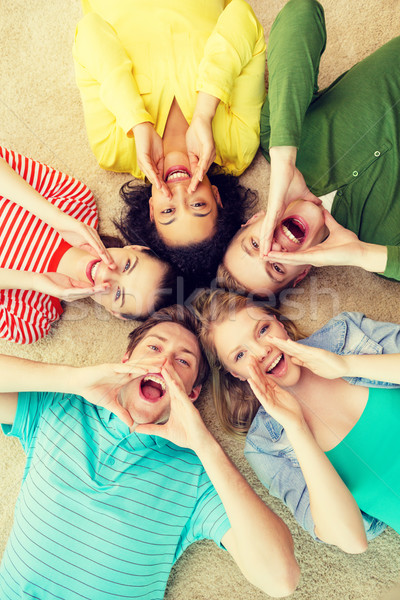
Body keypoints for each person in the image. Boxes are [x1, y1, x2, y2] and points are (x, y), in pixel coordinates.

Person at [0, 305, 299, 599]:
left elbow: (281, 579)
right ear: (126, 360)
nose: (165, 364)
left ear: (192, 393)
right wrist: (75, 381)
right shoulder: (60, 406)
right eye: (154, 348)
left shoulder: (196, 474)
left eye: (183, 362)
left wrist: (204, 445)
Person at [72, 0, 264, 284]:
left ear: (151, 210)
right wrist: (203, 113)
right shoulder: (238, 145)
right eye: (198, 205)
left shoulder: (112, 149)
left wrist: (138, 123)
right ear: (218, 199)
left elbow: (89, 31)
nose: (180, 192)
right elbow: (241, 15)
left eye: (168, 211)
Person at [217, 0, 400, 298]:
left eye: (256, 243)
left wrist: (284, 156)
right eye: (277, 267)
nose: (274, 248)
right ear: (301, 273)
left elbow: (301, 13)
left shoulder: (276, 139)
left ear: (254, 220)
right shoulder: (382, 253)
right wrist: (362, 255)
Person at [195, 288, 400, 551]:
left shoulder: (347, 333)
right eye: (240, 355)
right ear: (236, 374)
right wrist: (297, 428)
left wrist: (348, 365)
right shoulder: (264, 446)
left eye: (263, 330)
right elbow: (351, 539)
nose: (260, 351)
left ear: (279, 323)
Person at [0, 147, 176, 344]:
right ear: (134, 248)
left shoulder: (32, 321)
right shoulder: (77, 202)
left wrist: (32, 281)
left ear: (114, 312)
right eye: (127, 266)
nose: (108, 274)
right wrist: (55, 217)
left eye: (118, 293)